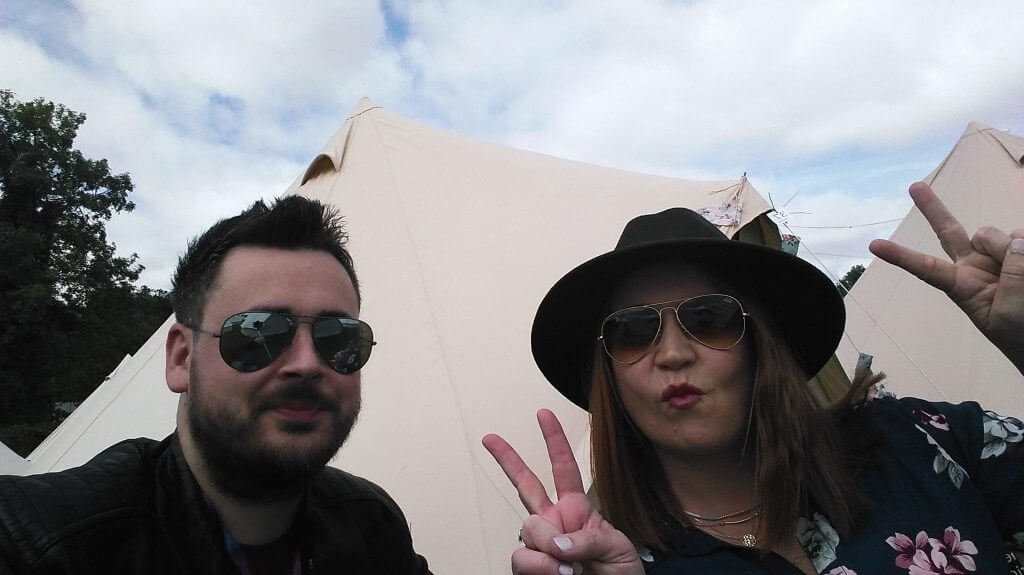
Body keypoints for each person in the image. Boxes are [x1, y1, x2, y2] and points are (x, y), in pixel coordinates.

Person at [484, 182, 1024, 574]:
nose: (672, 353)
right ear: (610, 374)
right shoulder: (618, 562)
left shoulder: (919, 441)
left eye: (709, 318)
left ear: (759, 345)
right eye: (631, 331)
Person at [0, 196, 431, 574]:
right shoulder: (42, 539)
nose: (307, 364)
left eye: (339, 338)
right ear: (181, 359)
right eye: (256, 333)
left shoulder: (371, 524)